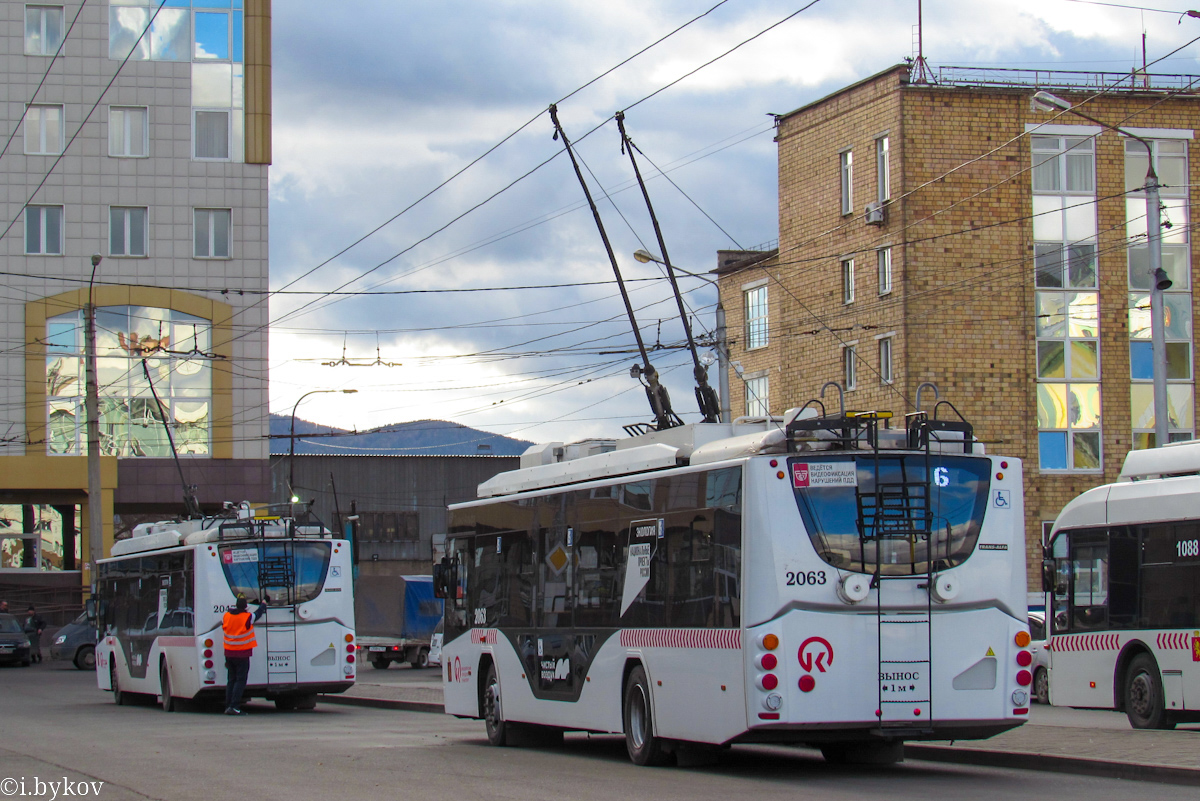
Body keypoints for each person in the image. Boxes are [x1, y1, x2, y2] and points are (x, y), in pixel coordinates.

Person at [221, 594, 266, 715]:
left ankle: (228, 706)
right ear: (246, 606)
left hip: (229, 653)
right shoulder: (247, 617)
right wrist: (264, 603)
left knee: (231, 680)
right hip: (242, 654)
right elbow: (258, 613)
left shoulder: (226, 616)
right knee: (240, 681)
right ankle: (234, 707)